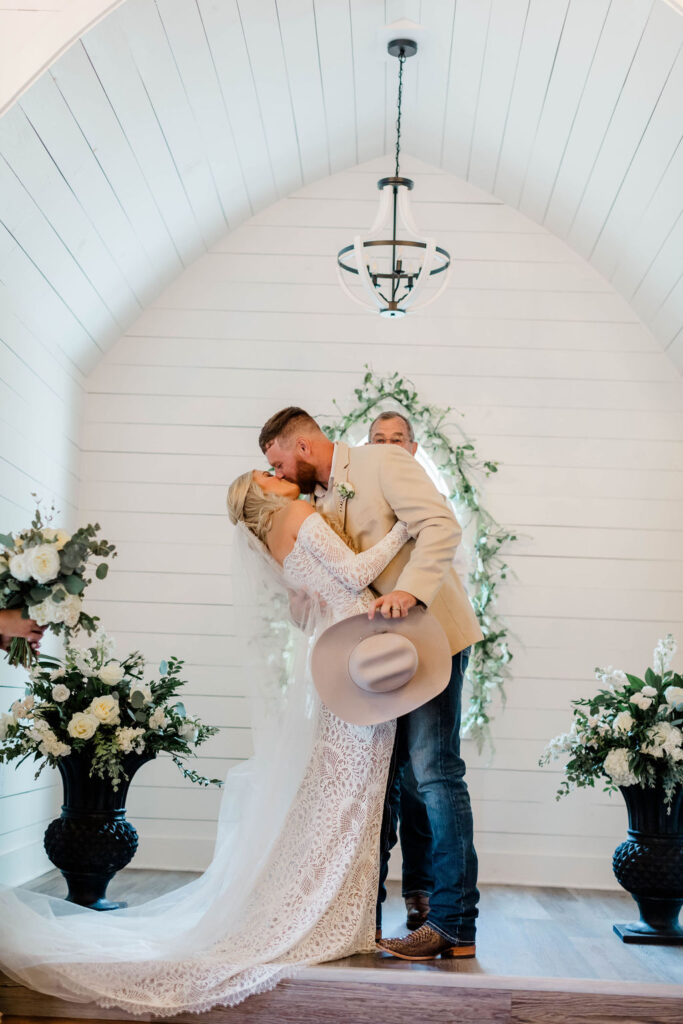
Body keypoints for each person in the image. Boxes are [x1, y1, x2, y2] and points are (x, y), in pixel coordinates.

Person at [0, 466, 415, 1014]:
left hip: (341, 666)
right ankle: (327, 919)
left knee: (341, 801)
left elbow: (307, 602)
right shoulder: (300, 514)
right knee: (348, 800)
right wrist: (404, 529)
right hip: (356, 663)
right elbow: (356, 569)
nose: (281, 473)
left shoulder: (272, 538)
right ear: (265, 492)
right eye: (270, 472)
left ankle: (334, 915)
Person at [260, 407, 483, 960]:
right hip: (379, 659)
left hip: (431, 637)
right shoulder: (317, 500)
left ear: (304, 447)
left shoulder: (383, 461)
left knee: (434, 773)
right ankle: (362, 922)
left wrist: (412, 591)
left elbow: (441, 525)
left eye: (280, 462)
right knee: (382, 783)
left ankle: (455, 925)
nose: (281, 475)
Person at [367, 411, 433, 931]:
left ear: (412, 448)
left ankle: (420, 893)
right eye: (378, 440)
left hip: (423, 641)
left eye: (397, 440)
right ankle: (366, 897)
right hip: (372, 648)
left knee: (418, 779)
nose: (388, 447)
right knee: (380, 777)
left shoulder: (424, 494)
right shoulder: (359, 489)